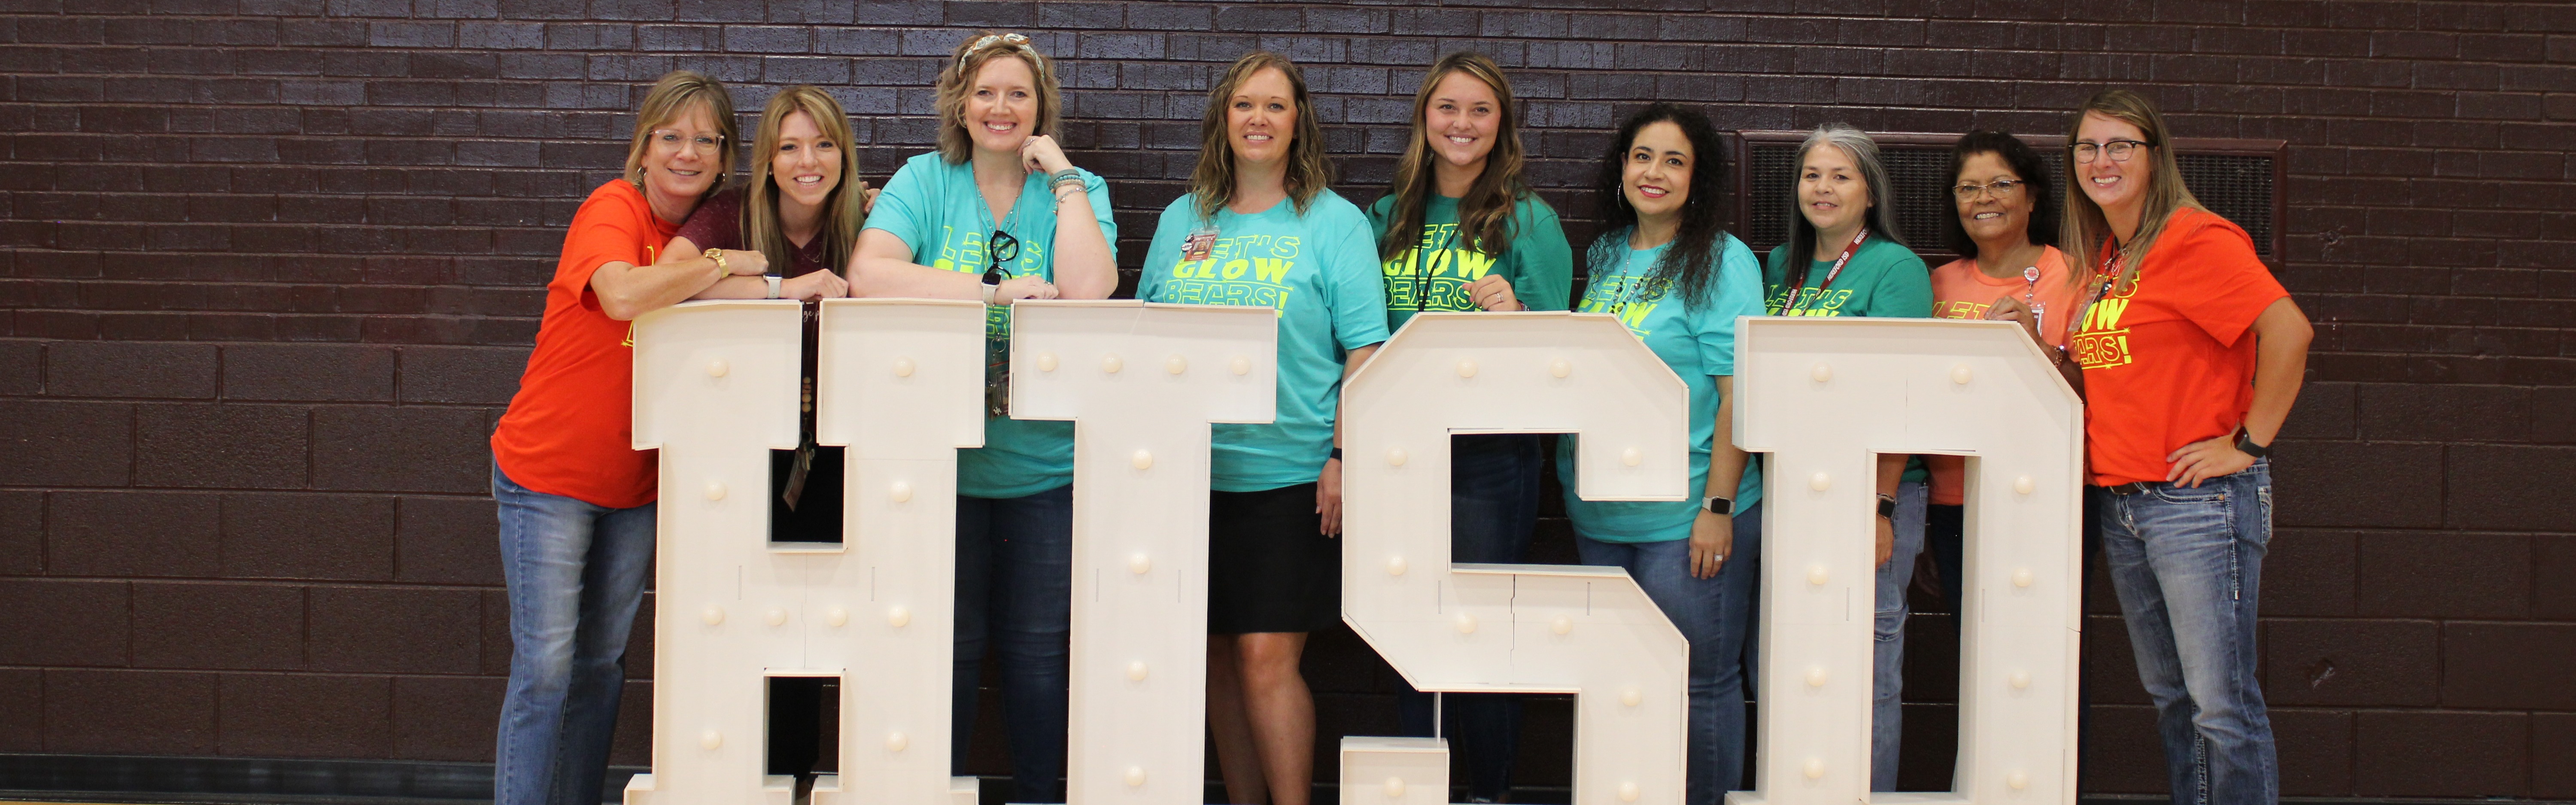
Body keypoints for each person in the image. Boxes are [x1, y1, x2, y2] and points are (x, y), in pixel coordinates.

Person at [849, 30, 1118, 804]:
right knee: (950, 649)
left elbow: (1090, 288)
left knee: (1038, 654)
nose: (1001, 108)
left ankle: (1039, 794)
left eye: (1019, 94)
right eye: (987, 93)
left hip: (1046, 467)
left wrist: (1063, 177)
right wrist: (992, 292)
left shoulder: (1078, 187)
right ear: (961, 105)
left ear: (1041, 108)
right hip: (941, 466)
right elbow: (871, 273)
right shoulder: (925, 180)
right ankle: (946, 790)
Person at [1135, 51, 1388, 805]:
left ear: (1297, 122)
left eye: (1275, 106)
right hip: (1189, 477)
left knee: (1264, 660)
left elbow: (1366, 350)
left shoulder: (1333, 222)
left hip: (1290, 477)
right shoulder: (1187, 218)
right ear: (1224, 118)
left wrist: (1344, 455)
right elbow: (1148, 335)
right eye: (1245, 104)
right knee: (1212, 658)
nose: (1258, 119)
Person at [487, 70, 743, 805]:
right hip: (548, 478)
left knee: (601, 667)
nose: (686, 153)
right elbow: (624, 293)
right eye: (672, 136)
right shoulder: (615, 205)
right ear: (644, 146)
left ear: (724, 157)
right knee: (545, 669)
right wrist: (722, 267)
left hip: (635, 487)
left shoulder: (702, 234)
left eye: (705, 139)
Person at [2056, 89, 2311, 805]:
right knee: (2175, 699)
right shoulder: (2111, 256)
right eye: (2088, 147)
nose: (2101, 160)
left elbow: (2289, 332)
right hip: (2124, 500)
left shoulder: (2195, 238)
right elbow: (2116, 368)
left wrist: (2248, 443)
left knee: (2222, 706)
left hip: (2195, 502)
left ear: (2155, 156)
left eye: (2119, 146)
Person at [1363, 49, 1572, 803]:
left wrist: (1517, 320)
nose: (1462, 123)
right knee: (1408, 631)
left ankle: (1484, 792)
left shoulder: (1528, 217)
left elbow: (1565, 348)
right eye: (1448, 108)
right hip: (1399, 452)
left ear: (1502, 126)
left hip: (1488, 458)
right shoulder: (1387, 215)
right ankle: (1425, 787)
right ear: (1425, 117)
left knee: (1475, 632)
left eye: (1480, 110)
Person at [1558, 102, 1765, 804]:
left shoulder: (1721, 260)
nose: (1655, 172)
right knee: (1625, 683)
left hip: (1685, 518)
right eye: (1643, 156)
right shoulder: (1609, 253)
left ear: (1697, 178)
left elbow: (1742, 395)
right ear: (1622, 168)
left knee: (1699, 683)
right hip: (1601, 514)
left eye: (1675, 161)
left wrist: (1719, 505)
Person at [658, 84, 865, 779]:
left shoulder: (869, 222)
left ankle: (802, 776)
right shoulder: (731, 217)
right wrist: (784, 288)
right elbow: (668, 282)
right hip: (743, 452)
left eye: (824, 144)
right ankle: (746, 774)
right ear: (767, 160)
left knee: (814, 619)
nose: (809, 161)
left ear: (844, 153)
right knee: (743, 613)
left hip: (843, 452)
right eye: (790, 147)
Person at [1761, 123, 1932, 791]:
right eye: (1812, 175)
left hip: (1870, 494)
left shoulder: (1895, 266)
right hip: (1794, 491)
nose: (1823, 188)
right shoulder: (1780, 265)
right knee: (1801, 659)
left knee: (1867, 665)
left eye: (1840, 176)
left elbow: (1905, 394)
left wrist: (1882, 505)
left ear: (1868, 193)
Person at [1920, 130, 2076, 618]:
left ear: (2032, 196)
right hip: (1953, 497)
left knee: (2050, 651)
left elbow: (2100, 389)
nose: (1984, 198)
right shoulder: (1938, 282)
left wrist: (2039, 347)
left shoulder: (2075, 277)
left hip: (2048, 493)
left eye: (2001, 184)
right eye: (1968, 188)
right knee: (1975, 646)